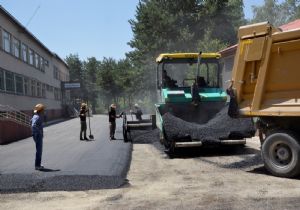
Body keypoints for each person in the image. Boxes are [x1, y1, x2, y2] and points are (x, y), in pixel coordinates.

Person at [31, 103, 45, 170]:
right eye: (43, 109)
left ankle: (38, 164)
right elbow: (34, 125)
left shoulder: (34, 116)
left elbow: (31, 122)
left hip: (35, 134)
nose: (44, 111)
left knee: (38, 150)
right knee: (39, 150)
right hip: (38, 135)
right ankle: (37, 166)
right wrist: (39, 132)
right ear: (40, 110)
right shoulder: (38, 117)